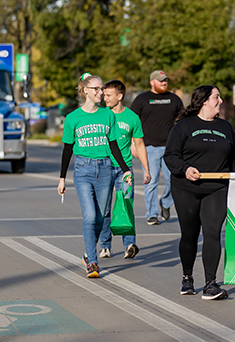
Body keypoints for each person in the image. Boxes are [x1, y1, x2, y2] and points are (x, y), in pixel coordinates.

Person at [164, 85, 235, 299]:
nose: (220, 101)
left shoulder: (225, 127)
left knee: (212, 233)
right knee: (190, 235)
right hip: (186, 188)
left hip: (216, 188)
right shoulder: (184, 126)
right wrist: (185, 169)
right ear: (204, 101)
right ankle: (187, 277)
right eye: (216, 97)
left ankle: (211, 284)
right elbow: (170, 155)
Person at [57, 73, 132, 278]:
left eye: (102, 89)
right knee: (90, 216)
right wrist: (62, 178)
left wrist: (126, 170)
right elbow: (67, 149)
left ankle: (87, 253)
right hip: (83, 170)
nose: (101, 93)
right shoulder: (73, 118)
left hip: (106, 168)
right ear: (85, 91)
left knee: (100, 218)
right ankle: (92, 262)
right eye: (97, 89)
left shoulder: (108, 115)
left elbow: (114, 145)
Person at [99, 80, 152, 260]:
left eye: (108, 95)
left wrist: (146, 169)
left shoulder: (132, 118)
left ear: (120, 96)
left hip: (125, 170)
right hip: (104, 167)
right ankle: (105, 245)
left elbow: (139, 144)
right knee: (105, 209)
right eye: (104, 95)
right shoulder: (101, 115)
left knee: (126, 205)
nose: (104, 98)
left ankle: (129, 244)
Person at [131, 70, 183, 225]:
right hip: (149, 148)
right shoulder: (142, 99)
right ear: (152, 82)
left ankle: (165, 203)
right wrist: (133, 143)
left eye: (165, 80)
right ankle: (152, 214)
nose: (164, 83)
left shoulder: (174, 99)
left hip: (171, 148)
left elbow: (182, 121)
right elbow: (132, 122)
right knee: (151, 181)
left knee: (175, 180)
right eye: (161, 81)